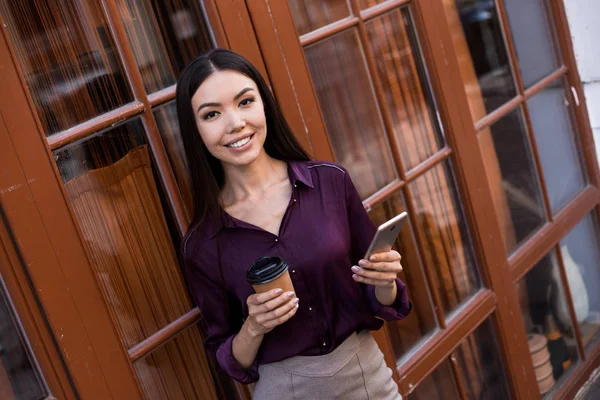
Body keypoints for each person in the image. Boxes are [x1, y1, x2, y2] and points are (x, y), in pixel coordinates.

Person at [177, 48, 411, 399]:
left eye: (245, 102)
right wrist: (254, 326)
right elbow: (227, 353)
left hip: (367, 380)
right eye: (212, 114)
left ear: (264, 104)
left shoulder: (330, 183)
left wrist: (386, 281)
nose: (235, 123)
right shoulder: (203, 243)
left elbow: (380, 296)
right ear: (195, 130)